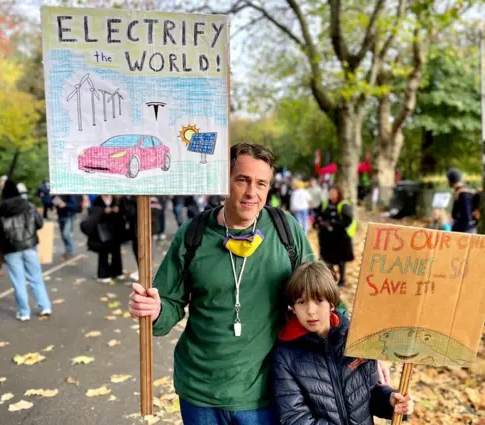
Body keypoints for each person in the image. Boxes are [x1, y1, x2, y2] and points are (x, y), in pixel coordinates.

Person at [128, 144, 389, 424]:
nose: (252, 192)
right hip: (199, 391)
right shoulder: (193, 234)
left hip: (264, 393)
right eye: (242, 180)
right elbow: (168, 306)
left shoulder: (286, 231)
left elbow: (323, 295)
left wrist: (366, 346)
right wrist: (154, 309)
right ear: (225, 179)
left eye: (261, 183)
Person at [273, 262, 414, 425]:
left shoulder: (355, 337)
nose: (311, 310)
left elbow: (369, 394)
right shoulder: (286, 354)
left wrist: (391, 401)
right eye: (301, 302)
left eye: (319, 300)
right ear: (293, 307)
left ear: (332, 303)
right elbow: (294, 417)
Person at [0, 179, 52, 321]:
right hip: (30, 246)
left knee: (18, 281)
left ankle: (24, 312)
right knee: (36, 278)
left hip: (10, 249)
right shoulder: (28, 206)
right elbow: (39, 223)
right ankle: (44, 306)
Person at [315, 186, 355, 287]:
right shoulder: (325, 204)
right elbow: (316, 215)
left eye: (334, 192)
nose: (331, 194)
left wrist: (334, 224)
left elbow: (348, 220)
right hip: (326, 238)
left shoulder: (343, 205)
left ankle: (342, 280)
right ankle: (331, 279)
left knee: (341, 260)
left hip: (340, 239)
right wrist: (319, 223)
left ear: (338, 193)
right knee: (327, 260)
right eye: (330, 192)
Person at [83, 195, 125, 283]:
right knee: (103, 252)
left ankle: (117, 272)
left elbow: (123, 212)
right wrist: (103, 211)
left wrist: (117, 211)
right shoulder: (97, 200)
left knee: (116, 251)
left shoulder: (116, 199)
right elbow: (93, 213)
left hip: (115, 228)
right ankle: (102, 274)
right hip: (102, 228)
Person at [446, 168, 477, 233]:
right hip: (466, 229)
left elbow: (467, 216)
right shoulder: (465, 190)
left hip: (465, 231)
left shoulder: (463, 193)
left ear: (450, 180)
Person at [54, 194, 79, 260]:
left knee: (66, 234)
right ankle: (67, 250)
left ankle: (71, 250)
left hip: (68, 217)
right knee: (63, 235)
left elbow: (75, 206)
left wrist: (65, 204)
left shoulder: (69, 196)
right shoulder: (57, 196)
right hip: (60, 217)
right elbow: (50, 204)